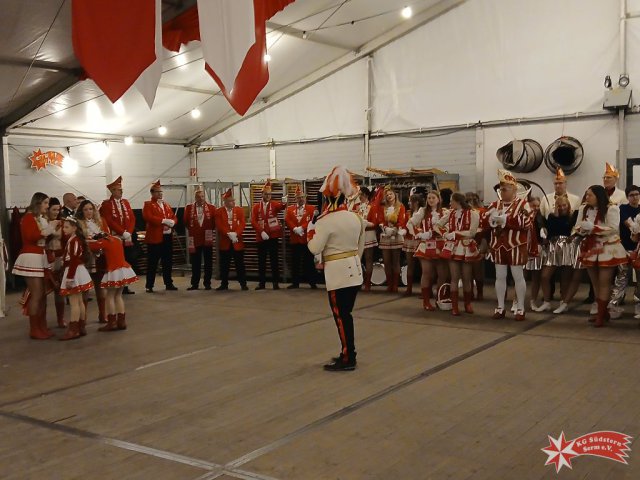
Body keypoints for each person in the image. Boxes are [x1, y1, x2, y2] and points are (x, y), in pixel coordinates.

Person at [307, 166, 366, 371]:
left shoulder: (325, 221)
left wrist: (310, 231)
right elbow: (360, 247)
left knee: (341, 317)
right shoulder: (355, 218)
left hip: (338, 275)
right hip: (355, 271)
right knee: (346, 315)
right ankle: (347, 352)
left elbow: (315, 248)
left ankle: (349, 357)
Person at [575, 185, 628, 327]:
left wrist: (594, 228)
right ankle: (602, 312)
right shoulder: (583, 208)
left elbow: (613, 228)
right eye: (586, 194)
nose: (587, 197)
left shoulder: (612, 208)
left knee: (604, 282)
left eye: (590, 195)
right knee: (595, 283)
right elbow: (577, 226)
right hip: (590, 248)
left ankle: (601, 314)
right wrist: (582, 230)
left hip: (607, 248)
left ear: (598, 196)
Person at [484, 169, 532, 321]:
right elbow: (484, 222)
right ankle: (500, 307)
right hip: (498, 245)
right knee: (500, 276)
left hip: (515, 244)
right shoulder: (494, 204)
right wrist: (490, 219)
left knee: (518, 276)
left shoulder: (523, 204)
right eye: (501, 189)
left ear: (514, 189)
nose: (502, 191)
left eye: (505, 189)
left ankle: (520, 308)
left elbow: (527, 223)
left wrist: (506, 220)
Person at [13, 192, 58, 339]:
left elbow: (43, 238)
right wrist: (50, 229)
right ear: (37, 203)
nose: (47, 206)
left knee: (43, 295)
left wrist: (52, 232)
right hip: (31, 257)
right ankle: (34, 329)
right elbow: (31, 236)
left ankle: (42, 326)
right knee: (37, 294)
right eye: (45, 203)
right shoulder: (28, 217)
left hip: (40, 256)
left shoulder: (40, 218)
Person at [436, 192, 481, 315]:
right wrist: (445, 233)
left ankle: (467, 304)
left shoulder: (473, 213)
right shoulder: (450, 213)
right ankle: (455, 306)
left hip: (465, 246)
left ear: (458, 201)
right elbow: (437, 225)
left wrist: (456, 233)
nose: (450, 203)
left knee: (467, 277)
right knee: (454, 277)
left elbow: (472, 232)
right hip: (452, 247)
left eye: (452, 201)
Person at [409, 190, 449, 311]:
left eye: (433, 198)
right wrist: (419, 234)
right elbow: (410, 223)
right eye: (429, 198)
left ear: (438, 199)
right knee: (426, 273)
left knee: (442, 274)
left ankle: (439, 299)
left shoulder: (445, 212)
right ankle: (426, 301)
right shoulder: (422, 211)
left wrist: (439, 232)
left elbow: (448, 227)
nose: (431, 200)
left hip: (441, 244)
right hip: (426, 244)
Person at [535, 195, 576, 313]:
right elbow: (549, 231)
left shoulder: (572, 217)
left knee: (565, 277)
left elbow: (572, 231)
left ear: (568, 205)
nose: (562, 207)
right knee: (545, 276)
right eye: (559, 205)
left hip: (567, 247)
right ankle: (546, 302)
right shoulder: (552, 217)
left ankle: (564, 302)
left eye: (564, 205)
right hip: (553, 246)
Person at [100, 176, 138, 294]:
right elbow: (109, 220)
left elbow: (132, 218)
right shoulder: (106, 204)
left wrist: (129, 232)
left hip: (127, 236)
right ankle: (116, 284)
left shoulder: (125, 202)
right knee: (117, 261)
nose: (121, 191)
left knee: (128, 259)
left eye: (121, 189)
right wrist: (122, 232)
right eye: (118, 189)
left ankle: (125, 285)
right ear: (112, 191)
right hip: (115, 237)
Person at [58, 217, 93, 340]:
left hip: (74, 271)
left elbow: (74, 259)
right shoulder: (73, 239)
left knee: (74, 302)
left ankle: (73, 330)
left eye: (66, 227)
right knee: (79, 301)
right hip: (77, 270)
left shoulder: (74, 241)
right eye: (63, 227)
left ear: (74, 228)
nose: (63, 229)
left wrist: (70, 278)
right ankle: (81, 326)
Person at [608, 185, 640, 318]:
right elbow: (629, 224)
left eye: (637, 194)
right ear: (627, 197)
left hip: (638, 250)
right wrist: (636, 227)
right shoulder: (623, 209)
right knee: (622, 277)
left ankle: (638, 306)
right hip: (624, 248)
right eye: (632, 195)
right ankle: (613, 305)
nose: (635, 197)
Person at [76, 200, 109, 323]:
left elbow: (107, 236)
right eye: (85, 209)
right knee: (85, 287)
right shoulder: (78, 223)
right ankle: (83, 317)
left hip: (100, 256)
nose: (89, 212)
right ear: (81, 211)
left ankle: (102, 314)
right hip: (86, 257)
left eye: (90, 209)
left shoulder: (101, 221)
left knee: (100, 285)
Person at [143, 180, 178, 292]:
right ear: (152, 193)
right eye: (158, 192)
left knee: (167, 261)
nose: (160, 194)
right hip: (155, 238)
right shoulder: (148, 204)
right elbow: (149, 217)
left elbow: (173, 216)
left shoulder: (166, 205)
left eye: (161, 192)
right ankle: (149, 285)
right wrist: (163, 221)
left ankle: (168, 283)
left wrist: (172, 222)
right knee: (152, 262)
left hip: (167, 237)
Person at [251, 180, 286, 290]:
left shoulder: (274, 204)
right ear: (262, 194)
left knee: (274, 260)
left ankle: (275, 283)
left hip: (273, 237)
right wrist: (261, 231)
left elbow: (282, 207)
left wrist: (284, 202)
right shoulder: (256, 207)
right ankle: (262, 283)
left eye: (269, 194)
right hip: (261, 237)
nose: (268, 196)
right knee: (261, 261)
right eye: (266, 194)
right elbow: (253, 221)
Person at [215, 188, 248, 291]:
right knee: (224, 264)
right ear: (225, 202)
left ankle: (243, 284)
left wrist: (236, 233)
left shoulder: (239, 210)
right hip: (225, 242)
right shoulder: (219, 212)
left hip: (237, 242)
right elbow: (219, 225)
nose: (233, 202)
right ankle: (224, 283)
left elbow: (242, 223)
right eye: (230, 201)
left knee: (240, 264)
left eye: (233, 200)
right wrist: (228, 234)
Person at [184, 188, 216, 290]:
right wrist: (195, 230)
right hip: (194, 238)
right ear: (195, 198)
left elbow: (214, 223)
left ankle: (207, 283)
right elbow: (186, 222)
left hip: (207, 238)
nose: (201, 198)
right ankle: (194, 283)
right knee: (195, 262)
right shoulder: (189, 208)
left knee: (208, 262)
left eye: (202, 196)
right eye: (198, 197)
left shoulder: (211, 208)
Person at [285, 185, 317, 289]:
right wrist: (294, 228)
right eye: (299, 197)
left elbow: (312, 221)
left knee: (309, 262)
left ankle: (312, 282)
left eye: (302, 197)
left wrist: (302, 228)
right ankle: (295, 283)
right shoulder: (290, 209)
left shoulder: (311, 209)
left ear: (305, 197)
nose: (301, 199)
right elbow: (287, 220)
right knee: (295, 262)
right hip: (295, 240)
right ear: (295, 198)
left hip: (307, 240)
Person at [378, 186, 407, 292]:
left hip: (396, 234)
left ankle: (395, 284)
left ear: (395, 195)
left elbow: (402, 220)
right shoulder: (383, 207)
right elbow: (380, 219)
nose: (389, 196)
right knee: (386, 261)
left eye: (391, 194)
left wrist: (395, 229)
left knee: (396, 261)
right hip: (386, 235)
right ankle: (389, 284)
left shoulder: (400, 206)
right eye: (387, 195)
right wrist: (385, 228)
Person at [45, 197, 66, 328]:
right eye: (54, 209)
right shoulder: (43, 222)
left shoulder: (62, 222)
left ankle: (60, 319)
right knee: (44, 291)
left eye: (58, 210)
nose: (56, 212)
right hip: (46, 258)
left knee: (59, 290)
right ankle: (42, 321)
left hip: (60, 257)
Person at [354, 186, 380, 292]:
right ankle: (358, 282)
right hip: (358, 235)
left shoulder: (372, 206)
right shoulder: (356, 206)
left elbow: (375, 222)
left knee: (368, 258)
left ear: (365, 194)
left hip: (369, 234)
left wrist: (365, 223)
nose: (359, 196)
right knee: (357, 258)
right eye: (359, 194)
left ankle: (368, 283)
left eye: (360, 194)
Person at [466, 192, 487, 300]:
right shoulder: (482, 211)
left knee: (473, 269)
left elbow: (485, 229)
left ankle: (476, 292)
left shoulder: (481, 212)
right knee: (473, 270)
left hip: (476, 241)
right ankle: (476, 292)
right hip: (472, 241)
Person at [402, 192, 424, 296]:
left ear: (416, 202)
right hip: (409, 240)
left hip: (420, 240)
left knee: (423, 266)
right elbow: (405, 225)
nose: (409, 203)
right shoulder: (408, 213)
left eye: (410, 201)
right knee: (410, 264)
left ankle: (425, 290)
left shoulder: (423, 212)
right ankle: (409, 288)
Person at [526, 196, 544, 310]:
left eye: (538, 206)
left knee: (536, 276)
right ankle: (516, 301)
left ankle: (533, 300)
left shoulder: (541, 217)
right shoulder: (524, 216)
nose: (536, 208)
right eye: (533, 206)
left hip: (537, 248)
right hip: (524, 248)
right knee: (521, 276)